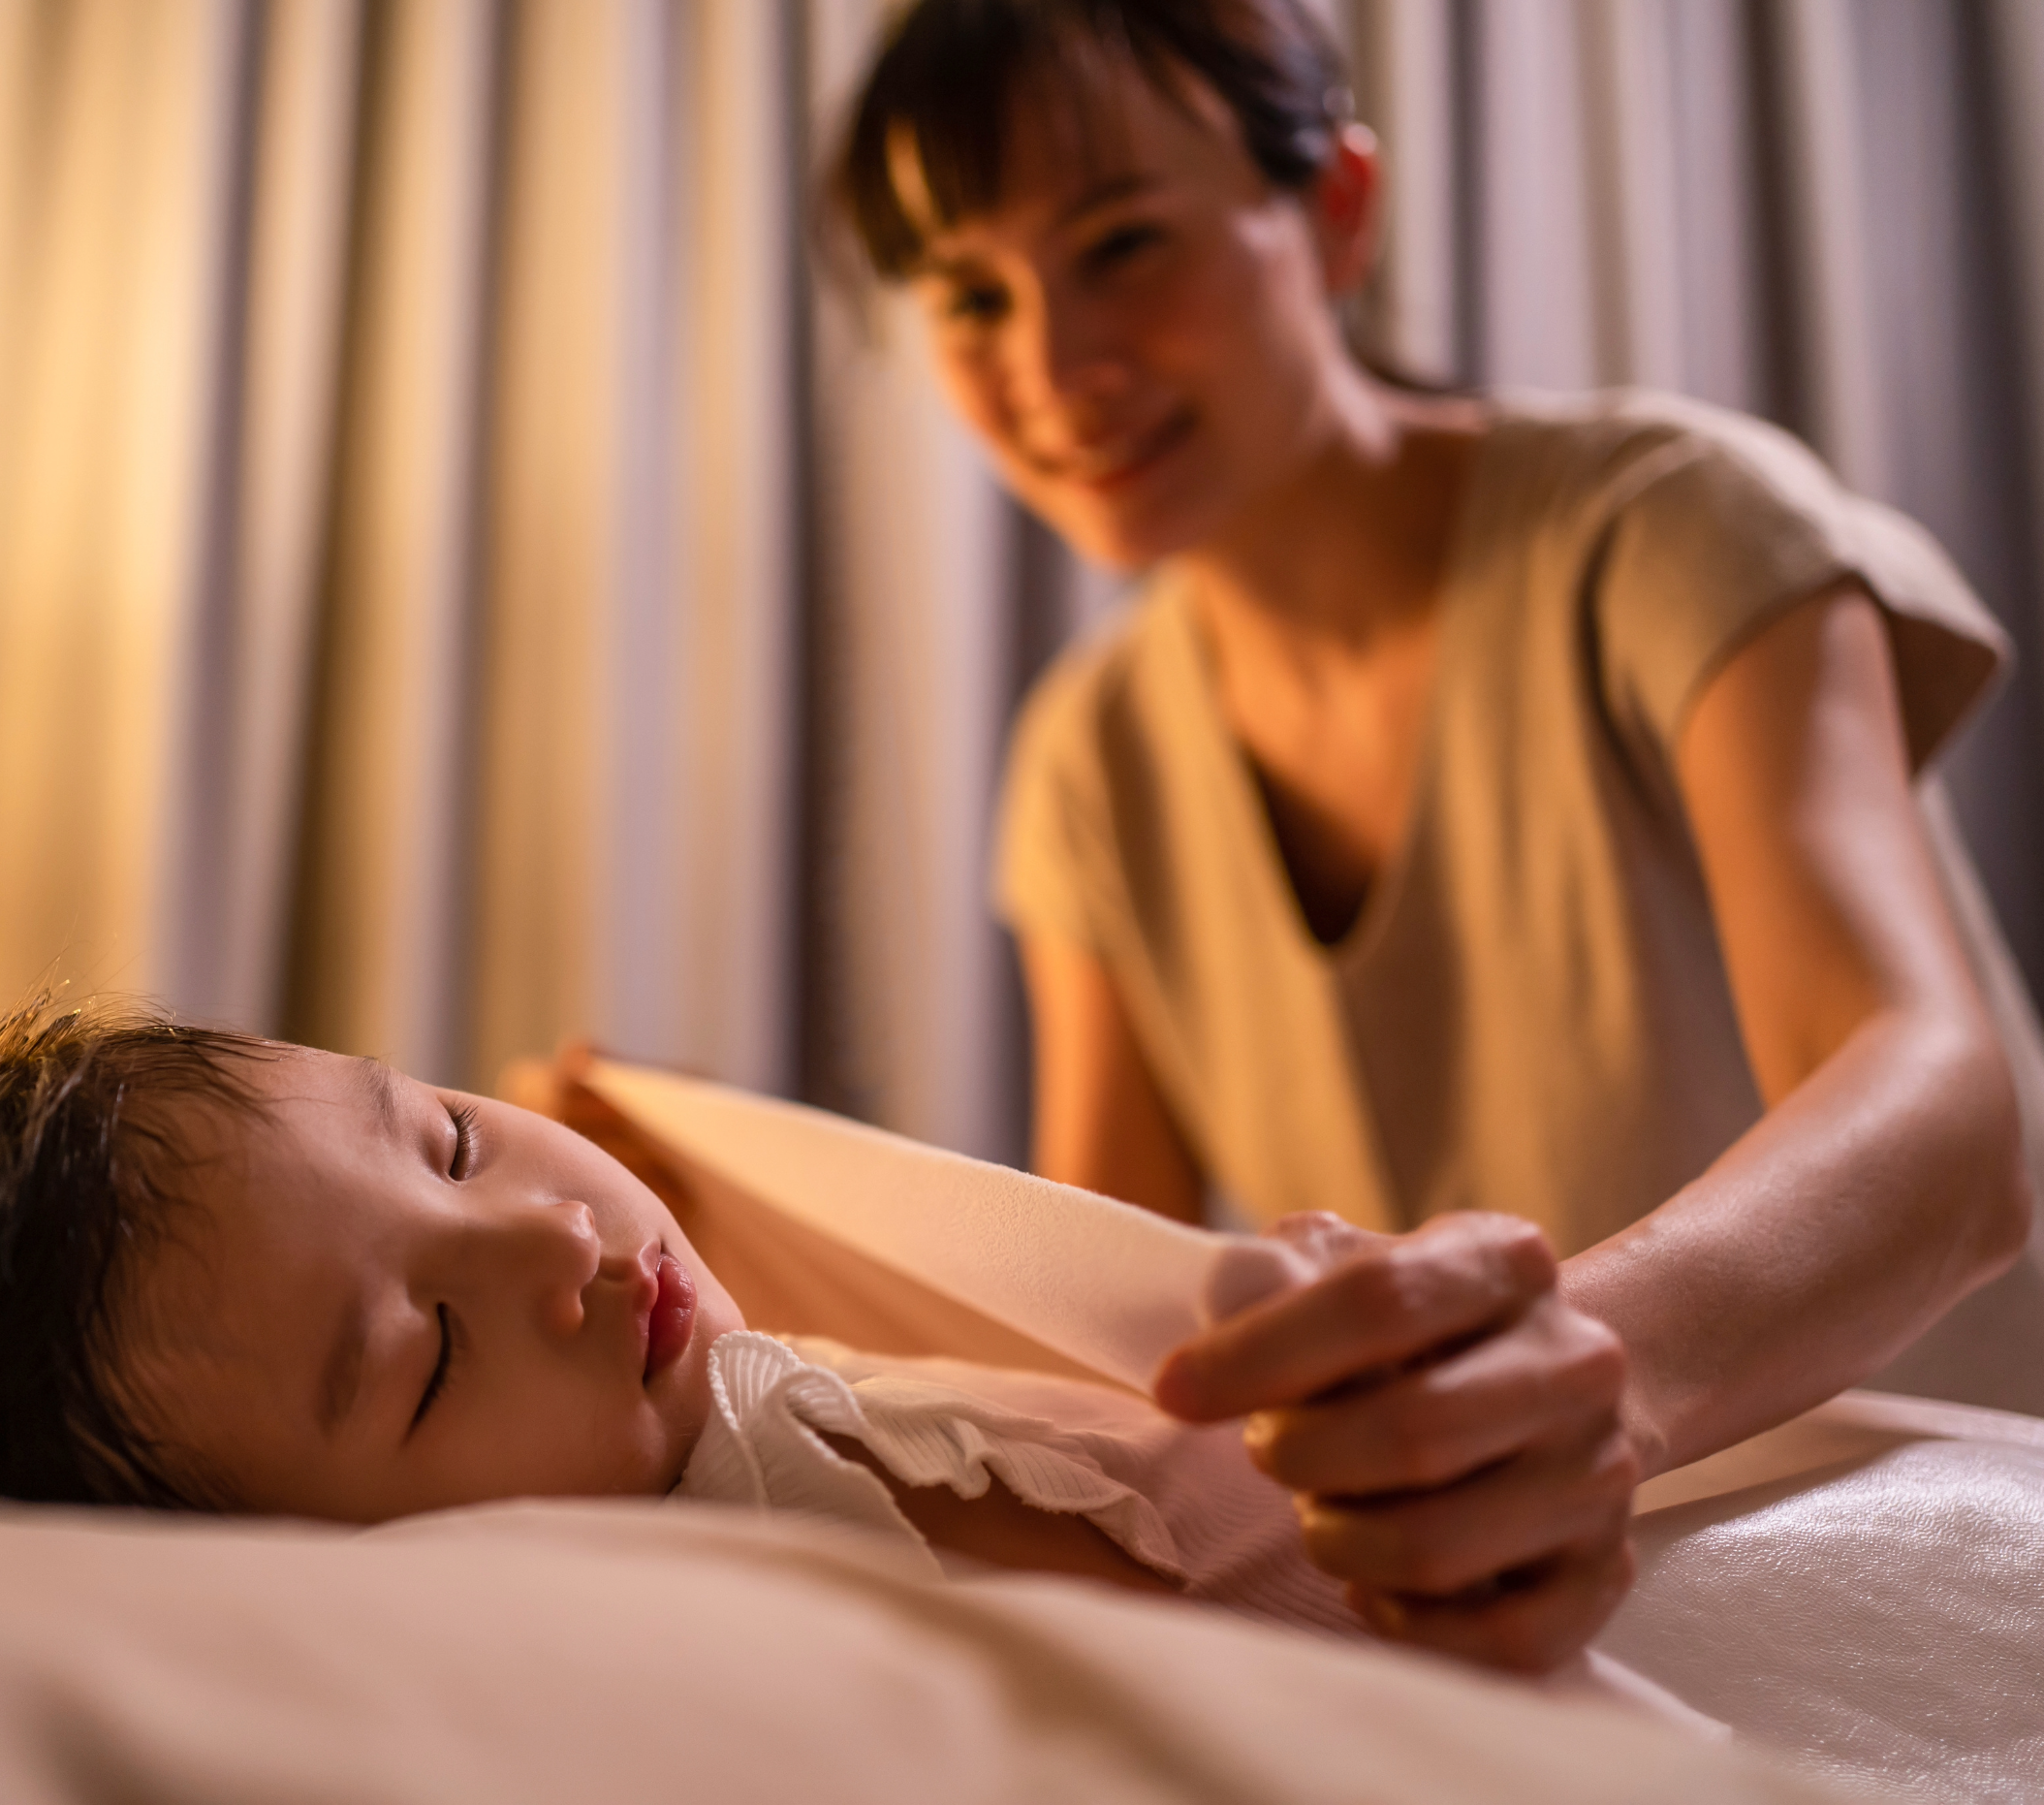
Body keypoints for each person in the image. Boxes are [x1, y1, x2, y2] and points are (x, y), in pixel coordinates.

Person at [824, 0, 2043, 1675]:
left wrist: (1588, 1371)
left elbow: (1955, 1121)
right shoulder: (1090, 765)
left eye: (1121, 245)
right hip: (1557, 1634)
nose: (1056, 364)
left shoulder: (1670, 525)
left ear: (1334, 211)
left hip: (1947, 1554)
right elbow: (1111, 1342)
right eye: (972, 297)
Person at [0, 1002, 1396, 1653]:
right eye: (426, 1354)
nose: (554, 1235)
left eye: (441, 1134)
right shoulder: (765, 1554)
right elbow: (1244, 1692)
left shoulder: (712, 1414)